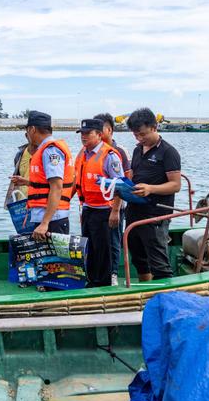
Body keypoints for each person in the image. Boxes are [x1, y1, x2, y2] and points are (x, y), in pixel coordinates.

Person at [126, 108, 181, 281]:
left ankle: (166, 297)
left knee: (159, 261)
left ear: (154, 127)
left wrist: (151, 188)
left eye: (143, 134)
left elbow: (175, 185)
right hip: (134, 211)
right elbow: (134, 176)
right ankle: (147, 293)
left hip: (155, 215)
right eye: (136, 135)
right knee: (138, 258)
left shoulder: (168, 152)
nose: (140, 138)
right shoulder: (137, 150)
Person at [73, 119, 124, 287]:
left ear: (99, 135)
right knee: (90, 248)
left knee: (104, 250)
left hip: (105, 210)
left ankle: (104, 283)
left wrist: (115, 211)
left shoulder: (109, 156)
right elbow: (76, 181)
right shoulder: (83, 153)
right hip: (88, 208)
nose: (84, 137)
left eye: (88, 133)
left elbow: (120, 186)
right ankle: (92, 280)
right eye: (82, 134)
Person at [10, 111, 75, 241]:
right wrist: (29, 182)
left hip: (51, 219)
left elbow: (56, 187)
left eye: (27, 130)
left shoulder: (50, 150)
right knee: (47, 260)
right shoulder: (45, 149)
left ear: (32, 129)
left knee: (53, 261)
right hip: (48, 217)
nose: (27, 134)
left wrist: (45, 223)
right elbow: (46, 183)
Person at [94, 113, 132, 285]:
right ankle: (98, 273)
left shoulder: (119, 151)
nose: (97, 133)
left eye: (100, 129)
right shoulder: (91, 151)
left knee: (114, 239)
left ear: (109, 129)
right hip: (95, 206)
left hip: (114, 205)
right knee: (98, 240)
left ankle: (113, 274)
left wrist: (116, 209)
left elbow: (125, 180)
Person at [4, 131, 38, 207]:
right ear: (27, 135)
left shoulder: (46, 153)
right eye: (34, 133)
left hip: (39, 203)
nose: (38, 137)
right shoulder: (20, 154)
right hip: (22, 202)